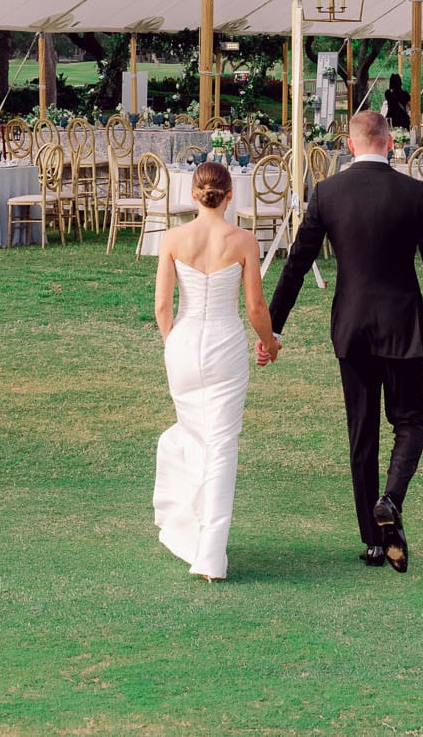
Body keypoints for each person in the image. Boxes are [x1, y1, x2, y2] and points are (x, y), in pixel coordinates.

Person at [260, 108, 423, 574]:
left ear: (350, 145)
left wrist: (273, 328)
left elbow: (296, 262)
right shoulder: (414, 194)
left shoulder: (329, 193)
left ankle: (374, 543)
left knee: (362, 433)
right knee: (411, 419)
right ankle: (390, 499)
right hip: (403, 327)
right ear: (390, 143)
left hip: (351, 329)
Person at [153, 160, 281, 582]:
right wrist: (269, 342)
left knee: (194, 434)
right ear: (230, 196)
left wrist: (174, 342)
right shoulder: (244, 241)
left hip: (184, 344)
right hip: (225, 345)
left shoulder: (173, 238)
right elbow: (255, 308)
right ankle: (208, 553)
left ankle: (196, 536)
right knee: (222, 444)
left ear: (193, 194)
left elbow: (162, 307)